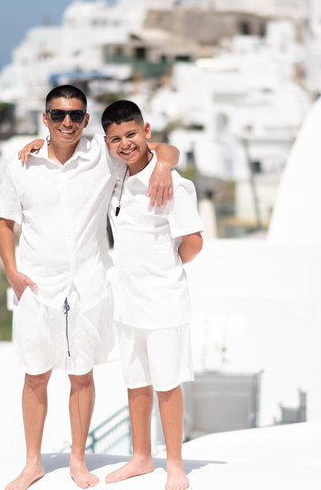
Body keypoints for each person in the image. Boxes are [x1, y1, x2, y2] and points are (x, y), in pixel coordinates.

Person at [0, 85, 179, 490]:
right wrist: (12, 272)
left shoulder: (101, 155)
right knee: (35, 376)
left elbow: (160, 148)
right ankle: (32, 464)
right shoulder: (21, 166)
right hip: (36, 287)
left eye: (76, 115)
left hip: (88, 284)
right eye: (58, 115)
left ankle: (78, 460)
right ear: (45, 118)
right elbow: (4, 221)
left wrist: (163, 166)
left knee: (81, 375)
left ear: (86, 120)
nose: (67, 122)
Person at [101, 100, 203, 490]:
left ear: (146, 131)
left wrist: (166, 266)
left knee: (167, 384)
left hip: (163, 299)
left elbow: (193, 242)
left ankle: (174, 463)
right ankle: (141, 457)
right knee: (136, 383)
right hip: (126, 300)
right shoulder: (117, 176)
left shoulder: (171, 182)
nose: (125, 144)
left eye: (132, 134)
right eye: (116, 139)